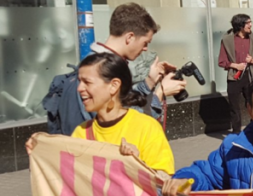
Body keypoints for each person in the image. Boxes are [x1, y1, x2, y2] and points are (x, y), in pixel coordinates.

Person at [44, 3, 186, 135]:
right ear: (130, 37)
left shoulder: (95, 62)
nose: (145, 49)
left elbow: (119, 102)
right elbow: (126, 125)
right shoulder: (102, 71)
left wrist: (149, 82)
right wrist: (160, 93)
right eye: (145, 43)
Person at [27, 53, 175, 174]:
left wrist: (136, 164)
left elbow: (164, 183)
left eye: (87, 82)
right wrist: (41, 152)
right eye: (79, 81)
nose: (79, 88)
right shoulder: (81, 133)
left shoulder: (147, 127)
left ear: (113, 86)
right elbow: (68, 178)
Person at [218, 14, 253, 133]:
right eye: (248, 22)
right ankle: (236, 133)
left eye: (251, 22)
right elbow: (222, 61)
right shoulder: (227, 40)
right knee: (234, 107)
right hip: (234, 77)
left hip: (249, 76)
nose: (251, 25)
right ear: (240, 25)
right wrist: (235, 65)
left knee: (252, 104)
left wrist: (252, 61)